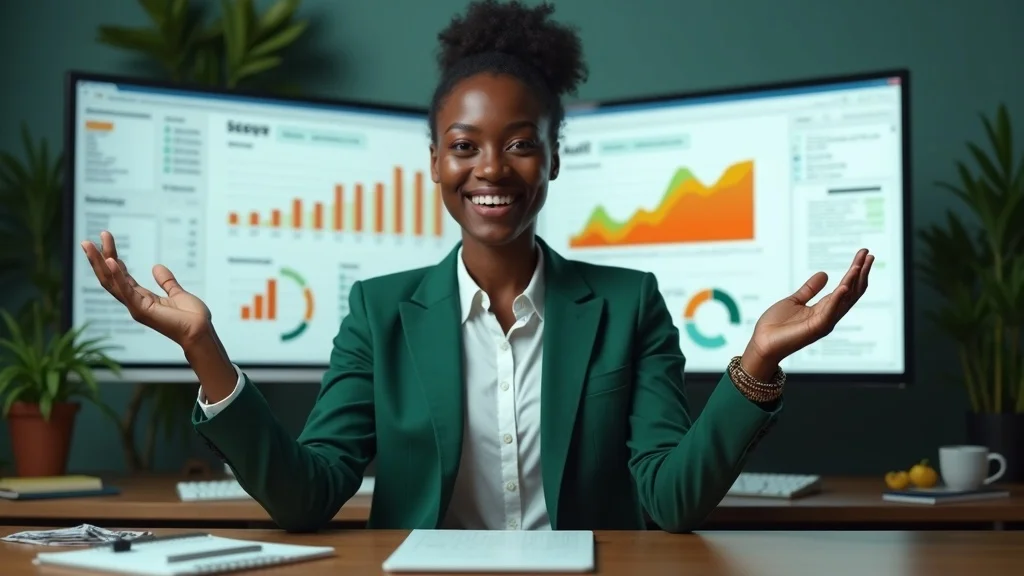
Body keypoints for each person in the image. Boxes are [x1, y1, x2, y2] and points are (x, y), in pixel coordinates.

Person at [81, 0, 873, 534]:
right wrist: (206, 353)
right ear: (434, 161)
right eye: (464, 146)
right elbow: (308, 495)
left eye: (520, 143)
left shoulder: (629, 305)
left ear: (553, 159)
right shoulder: (379, 312)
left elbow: (669, 502)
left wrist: (758, 363)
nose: (491, 168)